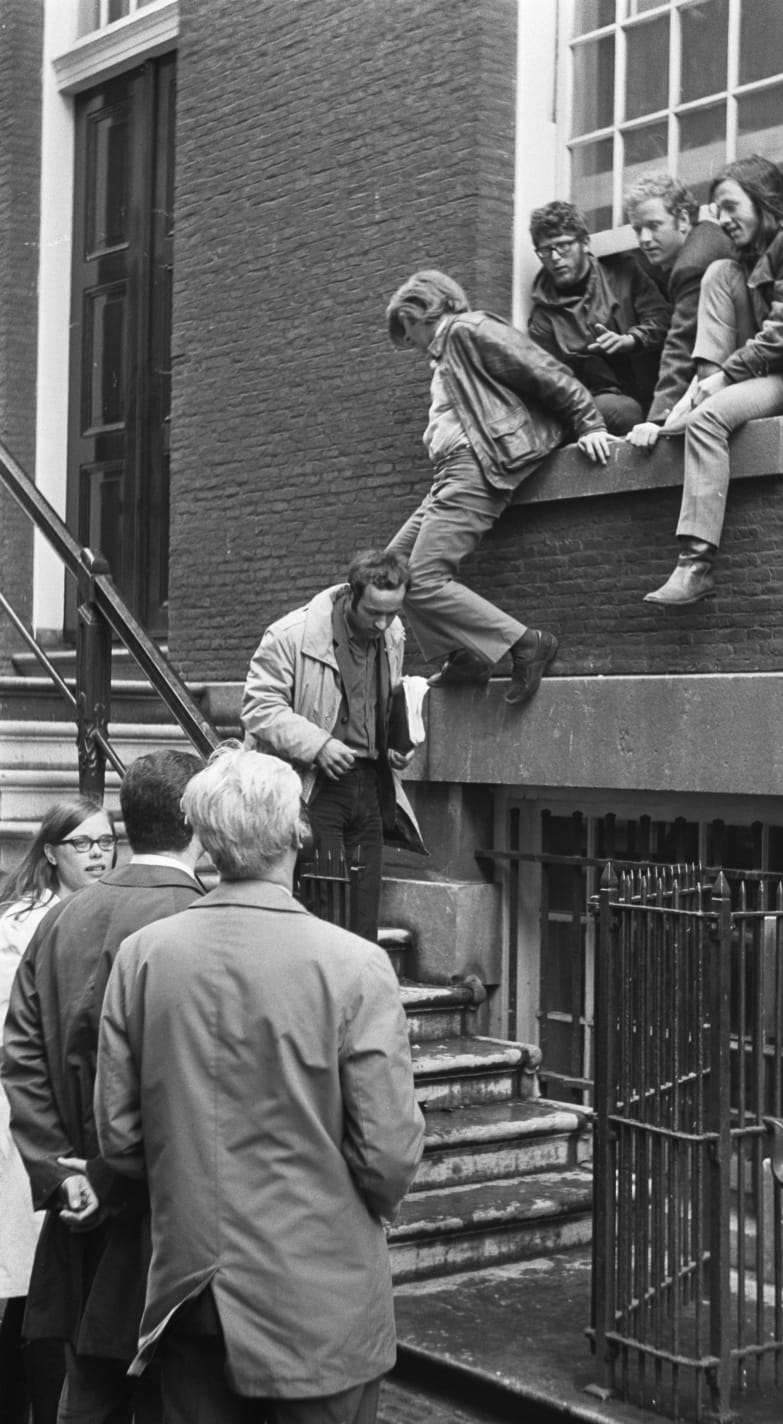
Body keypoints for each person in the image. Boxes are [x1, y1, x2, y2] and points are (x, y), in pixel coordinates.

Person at [94, 746, 425, 1424]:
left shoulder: (144, 956)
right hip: (320, 1299)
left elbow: (120, 1139)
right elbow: (389, 1151)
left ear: (206, 838)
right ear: (298, 833)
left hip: (190, 1291)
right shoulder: (356, 966)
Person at [2, 749, 205, 1424]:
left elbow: (21, 1052)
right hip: (161, 1219)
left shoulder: (66, 916)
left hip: (79, 1210)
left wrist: (61, 1172)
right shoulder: (202, 920)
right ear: (195, 817)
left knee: (86, 1394)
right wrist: (101, 1179)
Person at [385, 268, 610, 704]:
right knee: (393, 567)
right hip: (450, 471)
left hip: (473, 467)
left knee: (425, 578)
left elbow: (544, 370)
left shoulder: (469, 329)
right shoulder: (447, 350)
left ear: (423, 310)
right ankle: (467, 656)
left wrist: (589, 422)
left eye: (406, 325)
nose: (407, 338)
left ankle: (527, 643)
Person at [0, 797, 117, 1424]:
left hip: (69, 1117)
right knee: (24, 1280)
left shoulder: (106, 912)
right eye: (82, 845)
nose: (97, 854)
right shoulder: (23, 924)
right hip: (26, 1117)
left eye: (105, 842)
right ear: (50, 853)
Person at [241, 548, 425, 944]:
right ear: (351, 593)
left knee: (363, 910)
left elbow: (385, 698)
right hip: (312, 787)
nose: (382, 623)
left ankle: (354, 997)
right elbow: (259, 709)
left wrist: (396, 744)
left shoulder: (393, 634)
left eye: (392, 612)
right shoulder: (290, 635)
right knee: (321, 908)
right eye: (374, 612)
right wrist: (319, 745)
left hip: (372, 784)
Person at [642, 155, 783, 605]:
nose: (724, 220)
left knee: (706, 422)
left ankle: (696, 564)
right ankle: (701, 395)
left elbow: (782, 336)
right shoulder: (745, 258)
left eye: (731, 207)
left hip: (782, 374)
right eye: (718, 211)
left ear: (763, 200)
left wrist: (725, 378)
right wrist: (706, 382)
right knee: (718, 272)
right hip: (740, 373)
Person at [527, 199, 671, 434]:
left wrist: (632, 339)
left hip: (653, 391)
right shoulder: (543, 319)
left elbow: (663, 319)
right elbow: (549, 385)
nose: (554, 257)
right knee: (623, 411)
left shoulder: (624, 272)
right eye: (545, 250)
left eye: (563, 246)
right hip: (595, 407)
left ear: (584, 242)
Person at [622, 172, 734, 439]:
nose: (644, 239)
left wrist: (659, 418)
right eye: (638, 229)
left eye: (654, 225)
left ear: (683, 219)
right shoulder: (704, 238)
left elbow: (682, 343)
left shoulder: (691, 265)